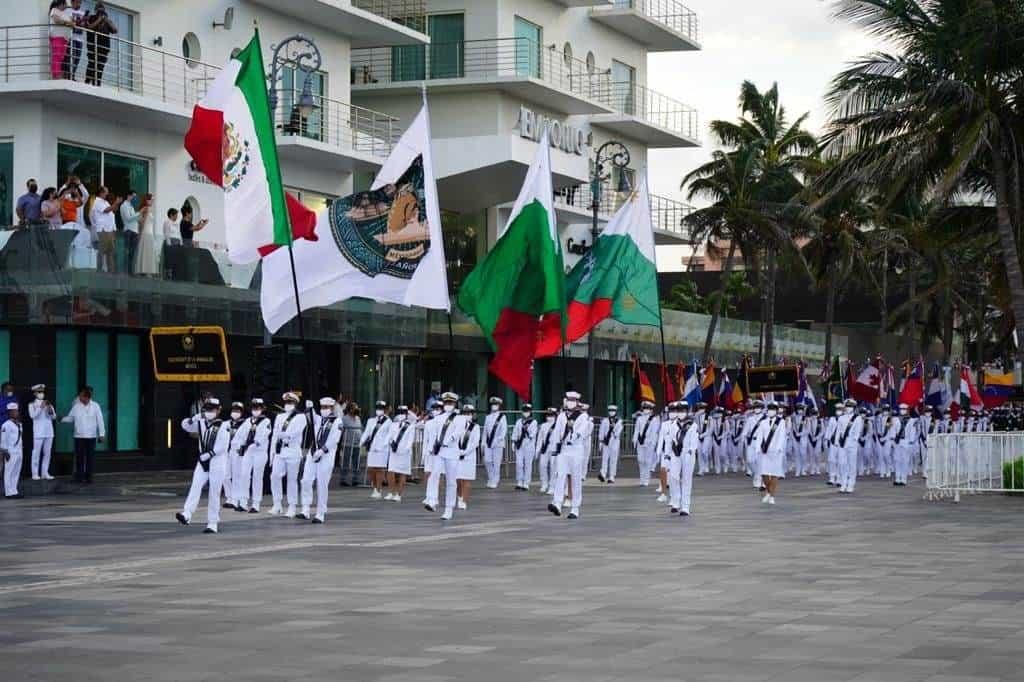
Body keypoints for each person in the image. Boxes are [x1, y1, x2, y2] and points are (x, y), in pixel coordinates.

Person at [176, 398, 231, 533]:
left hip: (217, 461)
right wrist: (193, 419)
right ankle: (187, 514)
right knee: (195, 486)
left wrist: (210, 454)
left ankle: (213, 522)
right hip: (202, 461)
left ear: (218, 410)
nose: (209, 412)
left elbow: (223, 446)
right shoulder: (201, 423)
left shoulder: (224, 425)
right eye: (207, 409)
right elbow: (185, 426)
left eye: (212, 409)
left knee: (214, 491)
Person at [548, 391, 591, 520]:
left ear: (577, 402)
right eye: (569, 400)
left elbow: (581, 432)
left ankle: (575, 508)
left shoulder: (583, 416)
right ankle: (557, 503)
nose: (570, 402)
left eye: (573, 400)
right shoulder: (561, 416)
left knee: (575, 479)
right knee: (560, 475)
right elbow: (556, 432)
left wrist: (573, 433)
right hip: (564, 450)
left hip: (576, 450)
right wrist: (555, 448)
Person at [300, 397, 343, 522]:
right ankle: (305, 509)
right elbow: (309, 418)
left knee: (322, 484)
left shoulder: (337, 421)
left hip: (326, 455)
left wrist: (322, 450)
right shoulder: (318, 419)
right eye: (322, 407)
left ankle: (320, 513)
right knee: (306, 480)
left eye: (326, 407)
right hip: (312, 453)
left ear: (331, 408)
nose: (323, 410)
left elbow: (335, 439)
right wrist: (309, 408)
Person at [424, 392, 462, 519]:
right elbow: (433, 433)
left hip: (451, 451)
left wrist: (447, 440)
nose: (448, 405)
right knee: (434, 474)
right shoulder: (439, 418)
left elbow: (458, 433)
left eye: (450, 403)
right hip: (440, 451)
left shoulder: (459, 418)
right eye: (446, 403)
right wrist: (431, 449)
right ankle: (432, 500)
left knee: (451, 481)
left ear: (454, 404)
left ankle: (449, 508)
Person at [268, 392, 307, 517]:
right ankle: (277, 504)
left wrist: (285, 435)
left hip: (293, 451)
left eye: (290, 403)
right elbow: (274, 436)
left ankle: (292, 506)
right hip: (280, 451)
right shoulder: (280, 417)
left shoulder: (301, 417)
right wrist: (271, 453)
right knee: (274, 476)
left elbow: (296, 432)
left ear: (295, 404)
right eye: (286, 403)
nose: (287, 405)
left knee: (291, 479)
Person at [232, 397, 271, 513]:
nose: (255, 410)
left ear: (262, 408)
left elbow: (263, 436)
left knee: (257, 477)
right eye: (254, 407)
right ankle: (243, 502)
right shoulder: (248, 421)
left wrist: (252, 444)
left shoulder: (266, 421)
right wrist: (238, 445)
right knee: (244, 475)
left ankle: (256, 504)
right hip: (248, 452)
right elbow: (239, 435)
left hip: (259, 452)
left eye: (258, 408)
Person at [62, 386, 104, 483]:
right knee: (79, 458)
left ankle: (89, 477)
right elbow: (71, 418)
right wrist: (62, 419)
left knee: (90, 458)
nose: (80, 398)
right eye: (80, 396)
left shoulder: (95, 406)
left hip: (91, 436)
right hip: (79, 436)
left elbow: (100, 421)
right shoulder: (76, 406)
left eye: (82, 397)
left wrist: (101, 434)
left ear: (87, 397)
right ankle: (79, 477)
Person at [667, 402, 699, 516]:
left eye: (682, 411)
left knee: (686, 480)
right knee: (673, 477)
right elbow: (669, 441)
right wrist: (667, 455)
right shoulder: (673, 425)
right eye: (678, 411)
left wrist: (690, 452)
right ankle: (676, 501)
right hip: (676, 453)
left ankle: (685, 507)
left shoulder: (693, 425)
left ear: (686, 411)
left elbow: (694, 441)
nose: (680, 413)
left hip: (687, 454)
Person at [754, 402, 788, 505]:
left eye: (773, 409)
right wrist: (757, 448)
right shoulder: (763, 422)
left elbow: (782, 436)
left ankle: (772, 495)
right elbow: (760, 436)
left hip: (775, 452)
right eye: (769, 409)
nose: (771, 411)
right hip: (764, 451)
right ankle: (768, 492)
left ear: (776, 411)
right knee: (764, 473)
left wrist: (778, 449)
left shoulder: (781, 422)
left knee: (774, 474)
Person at [385, 405, 416, 503]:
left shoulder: (410, 425)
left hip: (404, 453)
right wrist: (389, 443)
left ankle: (399, 494)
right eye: (399, 412)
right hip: (394, 451)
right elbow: (389, 436)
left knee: (402, 472)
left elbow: (410, 440)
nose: (401, 414)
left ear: (406, 413)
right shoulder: (393, 424)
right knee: (391, 471)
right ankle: (391, 492)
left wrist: (405, 449)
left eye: (403, 412)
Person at [361, 400, 392, 499]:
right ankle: (374, 488)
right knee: (371, 469)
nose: (379, 410)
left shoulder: (388, 421)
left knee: (379, 469)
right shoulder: (371, 420)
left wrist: (382, 445)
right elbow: (367, 432)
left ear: (384, 410)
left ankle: (378, 490)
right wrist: (361, 441)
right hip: (372, 447)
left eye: (381, 409)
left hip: (382, 449)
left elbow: (389, 436)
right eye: (378, 408)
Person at [220, 402, 246, 510]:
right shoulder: (225, 423)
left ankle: (236, 499)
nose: (235, 413)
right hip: (226, 451)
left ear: (241, 412)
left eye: (238, 411)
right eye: (234, 410)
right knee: (225, 475)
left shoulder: (245, 424)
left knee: (237, 476)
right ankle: (229, 497)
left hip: (237, 451)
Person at [455, 403, 480, 513]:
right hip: (457, 456)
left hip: (469, 457)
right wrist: (457, 451)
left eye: (469, 413)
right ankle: (459, 497)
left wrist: (464, 452)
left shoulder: (475, 427)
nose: (467, 415)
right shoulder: (457, 426)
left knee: (466, 480)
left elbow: (475, 443)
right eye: (465, 413)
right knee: (457, 480)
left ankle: (464, 500)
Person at [28, 384, 57, 481]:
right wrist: (40, 407)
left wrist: (49, 409)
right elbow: (33, 416)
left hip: (49, 432)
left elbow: (54, 417)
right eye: (39, 392)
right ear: (35, 393)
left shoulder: (49, 403)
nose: (42, 394)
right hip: (38, 433)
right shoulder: (31, 404)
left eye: (43, 392)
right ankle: (35, 473)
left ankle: (45, 473)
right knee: (36, 453)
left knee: (47, 453)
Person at [90, 186, 122, 272]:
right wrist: (115, 202)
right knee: (102, 250)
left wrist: (117, 203)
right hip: (103, 229)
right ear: (101, 193)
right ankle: (99, 270)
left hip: (109, 229)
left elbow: (113, 210)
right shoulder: (97, 202)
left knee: (110, 251)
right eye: (106, 192)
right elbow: (106, 210)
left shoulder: (105, 202)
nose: (107, 193)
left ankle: (110, 271)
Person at [84, 2, 117, 87]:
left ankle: (97, 83)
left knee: (100, 66)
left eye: (102, 10)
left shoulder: (107, 20)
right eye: (99, 9)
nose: (101, 12)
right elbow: (89, 27)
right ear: (95, 10)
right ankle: (87, 81)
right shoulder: (91, 17)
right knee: (92, 63)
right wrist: (99, 20)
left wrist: (106, 20)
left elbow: (115, 30)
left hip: (104, 47)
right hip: (93, 45)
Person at [632, 401, 660, 487]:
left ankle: (646, 480)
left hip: (649, 443)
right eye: (644, 408)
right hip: (640, 442)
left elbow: (654, 432)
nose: (645, 410)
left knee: (648, 461)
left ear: (651, 410)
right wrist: (634, 440)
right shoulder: (639, 418)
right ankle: (641, 478)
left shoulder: (654, 419)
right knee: (640, 460)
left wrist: (653, 443)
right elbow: (637, 430)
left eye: (647, 408)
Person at [510, 403, 538, 490]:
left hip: (529, 444)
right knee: (519, 463)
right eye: (524, 411)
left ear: (530, 412)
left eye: (527, 411)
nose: (526, 412)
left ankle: (526, 483)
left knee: (527, 464)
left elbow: (532, 434)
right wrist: (514, 442)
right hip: (520, 444)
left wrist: (525, 430)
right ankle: (519, 481)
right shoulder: (519, 421)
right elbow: (515, 432)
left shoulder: (533, 422)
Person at [892, 403, 920, 486]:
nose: (902, 410)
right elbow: (893, 431)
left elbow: (913, 432)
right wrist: (893, 441)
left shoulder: (911, 421)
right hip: (898, 442)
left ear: (907, 410)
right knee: (897, 460)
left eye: (904, 409)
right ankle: (897, 478)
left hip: (906, 441)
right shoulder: (895, 419)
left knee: (905, 461)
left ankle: (903, 479)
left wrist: (911, 442)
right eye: (901, 409)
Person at [482, 397, 507, 489]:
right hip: (488, 443)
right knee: (487, 461)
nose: (494, 406)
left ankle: (495, 480)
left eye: (496, 404)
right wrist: (483, 443)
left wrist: (496, 440)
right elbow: (485, 431)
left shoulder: (502, 417)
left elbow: (503, 431)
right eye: (493, 404)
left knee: (496, 463)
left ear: (499, 406)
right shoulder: (487, 417)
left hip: (498, 444)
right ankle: (491, 478)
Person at [1, 402, 24, 498]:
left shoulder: (19, 424)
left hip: (19, 451)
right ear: (9, 413)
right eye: (14, 411)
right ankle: (8, 493)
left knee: (16, 472)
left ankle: (14, 491)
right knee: (9, 472)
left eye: (17, 411)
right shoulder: (6, 425)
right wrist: (5, 452)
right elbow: (3, 439)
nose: (16, 412)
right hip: (10, 452)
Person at [338, 401, 362, 487]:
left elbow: (359, 428)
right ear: (350, 409)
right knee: (346, 461)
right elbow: (340, 429)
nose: (356, 410)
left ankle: (355, 479)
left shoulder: (358, 418)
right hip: (347, 444)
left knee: (357, 462)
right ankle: (343, 479)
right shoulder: (344, 418)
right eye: (354, 408)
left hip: (357, 444)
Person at [597, 405, 623, 483]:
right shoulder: (605, 420)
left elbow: (618, 432)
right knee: (604, 458)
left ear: (615, 412)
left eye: (613, 411)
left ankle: (612, 476)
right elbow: (601, 431)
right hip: (606, 442)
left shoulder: (619, 421)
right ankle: (603, 474)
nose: (611, 412)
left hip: (614, 442)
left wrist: (613, 428)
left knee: (613, 459)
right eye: (610, 411)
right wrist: (600, 441)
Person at [48, 1, 73, 80]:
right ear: (61, 4)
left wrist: (69, 23)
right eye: (65, 4)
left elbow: (72, 24)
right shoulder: (54, 10)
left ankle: (58, 74)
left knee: (60, 57)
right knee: (57, 56)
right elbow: (57, 20)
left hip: (64, 39)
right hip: (57, 37)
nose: (66, 6)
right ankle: (56, 75)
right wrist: (67, 23)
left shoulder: (64, 14)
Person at [536, 407, 558, 494]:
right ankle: (544, 484)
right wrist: (537, 449)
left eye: (551, 415)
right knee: (542, 466)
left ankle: (552, 486)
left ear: (555, 416)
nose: (549, 417)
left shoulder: (558, 425)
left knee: (553, 467)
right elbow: (540, 438)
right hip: (545, 448)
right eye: (548, 415)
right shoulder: (543, 426)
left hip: (554, 448)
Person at [65, 0, 87, 80]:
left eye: (80, 2)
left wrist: (84, 22)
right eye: (77, 2)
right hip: (71, 37)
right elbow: (70, 22)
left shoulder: (82, 13)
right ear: (72, 2)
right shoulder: (68, 10)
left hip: (80, 39)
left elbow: (84, 26)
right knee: (71, 57)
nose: (79, 4)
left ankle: (72, 75)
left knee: (77, 58)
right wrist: (80, 21)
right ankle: (68, 75)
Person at [119, 189, 140, 273]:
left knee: (132, 253)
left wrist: (139, 216)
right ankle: (125, 271)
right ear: (129, 196)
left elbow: (134, 218)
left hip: (134, 231)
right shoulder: (124, 205)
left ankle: (130, 271)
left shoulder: (131, 206)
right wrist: (139, 213)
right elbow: (128, 218)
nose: (135, 198)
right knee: (127, 252)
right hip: (128, 231)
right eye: (134, 196)